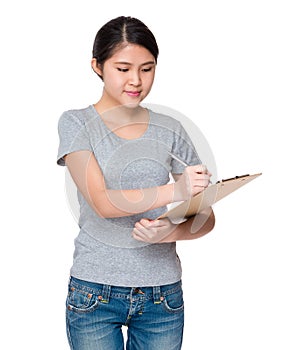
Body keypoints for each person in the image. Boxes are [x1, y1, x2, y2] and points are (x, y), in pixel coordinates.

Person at [57, 16, 215, 350]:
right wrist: (175, 191)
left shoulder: (170, 128)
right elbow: (102, 202)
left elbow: (206, 217)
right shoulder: (77, 123)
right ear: (97, 66)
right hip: (94, 292)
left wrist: (170, 232)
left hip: (163, 296)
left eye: (147, 68)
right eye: (123, 68)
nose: (136, 80)